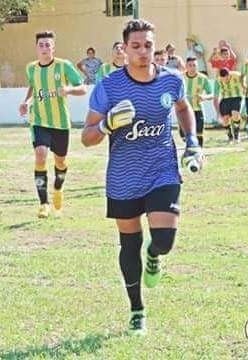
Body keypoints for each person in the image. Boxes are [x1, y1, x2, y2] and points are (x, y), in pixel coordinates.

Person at [81, 19, 203, 336]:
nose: (143, 52)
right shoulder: (109, 86)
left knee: (163, 240)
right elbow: (87, 136)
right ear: (124, 49)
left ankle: (155, 254)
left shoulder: (171, 80)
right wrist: (107, 124)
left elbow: (183, 108)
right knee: (129, 244)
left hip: (162, 169)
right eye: (136, 46)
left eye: (148, 45)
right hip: (123, 177)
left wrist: (192, 141)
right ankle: (137, 310)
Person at [18, 30, 86, 218]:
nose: (45, 48)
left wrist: (69, 90)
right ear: (36, 48)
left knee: (60, 161)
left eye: (48, 44)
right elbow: (33, 87)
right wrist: (26, 102)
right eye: (41, 45)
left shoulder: (64, 66)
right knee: (40, 154)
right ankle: (43, 203)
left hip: (61, 123)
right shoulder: (31, 68)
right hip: (39, 121)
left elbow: (82, 88)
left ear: (53, 47)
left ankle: (58, 189)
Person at [183, 57, 212, 147]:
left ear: (197, 66)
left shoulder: (203, 78)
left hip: (198, 109)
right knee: (185, 134)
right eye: (190, 65)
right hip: (184, 110)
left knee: (199, 133)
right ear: (186, 66)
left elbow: (211, 94)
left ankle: (199, 153)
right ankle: (190, 149)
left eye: (194, 65)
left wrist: (204, 97)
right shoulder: (181, 77)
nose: (192, 68)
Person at [213, 68, 243, 144]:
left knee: (235, 114)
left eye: (227, 78)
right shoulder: (217, 81)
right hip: (225, 99)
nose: (225, 81)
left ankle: (237, 135)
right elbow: (215, 98)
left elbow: (245, 77)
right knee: (225, 119)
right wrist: (218, 113)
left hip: (236, 97)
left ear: (229, 74)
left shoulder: (237, 75)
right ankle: (230, 136)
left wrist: (244, 86)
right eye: (223, 79)